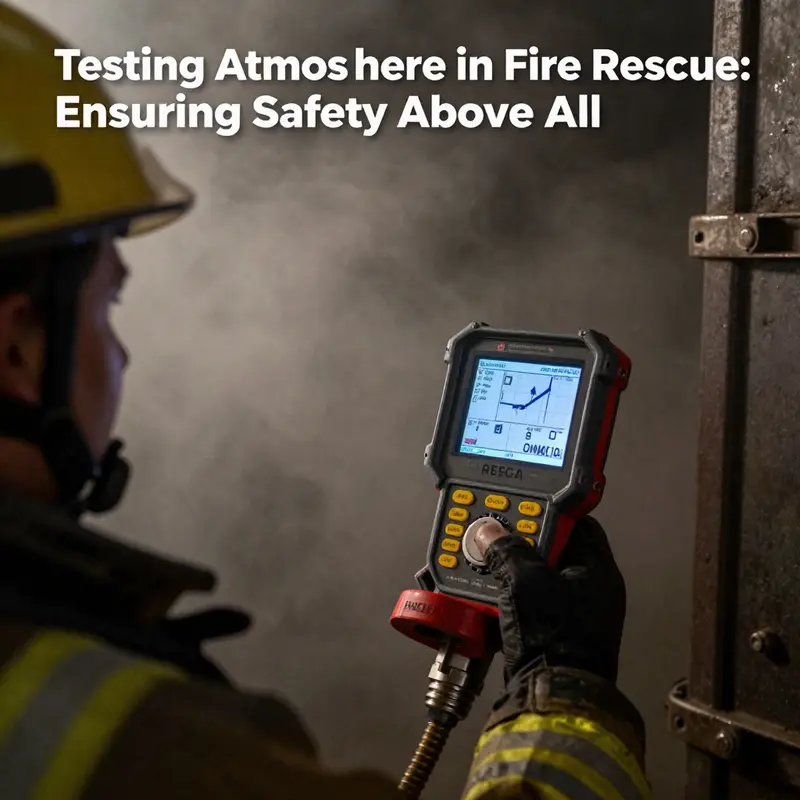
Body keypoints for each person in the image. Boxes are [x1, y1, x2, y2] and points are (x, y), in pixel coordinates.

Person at [0, 3, 651, 797]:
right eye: (109, 307)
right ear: (17, 342)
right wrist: (565, 689)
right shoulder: (136, 738)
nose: (121, 351)